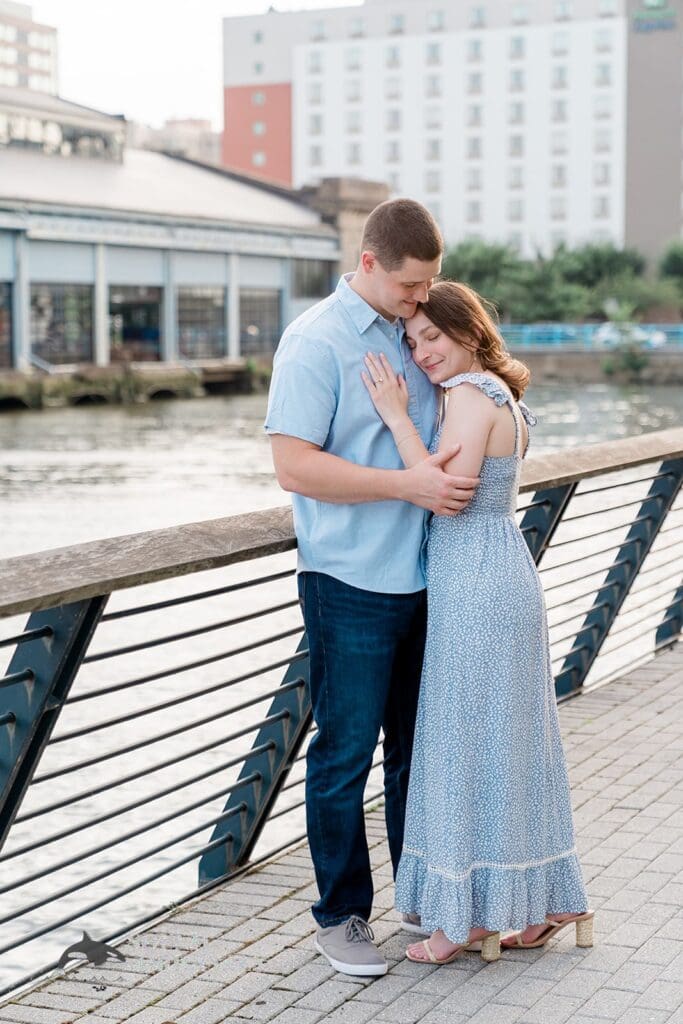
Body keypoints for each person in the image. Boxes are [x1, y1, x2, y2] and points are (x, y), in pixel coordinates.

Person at [264, 200, 480, 977]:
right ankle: (341, 916)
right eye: (409, 286)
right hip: (349, 580)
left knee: (414, 755)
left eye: (429, 286)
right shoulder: (314, 342)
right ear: (368, 264)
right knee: (345, 753)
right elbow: (293, 467)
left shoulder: (414, 338)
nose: (421, 300)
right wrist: (406, 486)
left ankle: (417, 898)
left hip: (429, 581)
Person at [361, 280, 592, 966]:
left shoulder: (469, 394)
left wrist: (395, 414)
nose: (421, 351)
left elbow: (447, 492)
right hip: (502, 571)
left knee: (463, 742)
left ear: (468, 331)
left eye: (432, 337)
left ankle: (460, 921)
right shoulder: (503, 393)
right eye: (411, 341)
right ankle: (553, 901)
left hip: (475, 582)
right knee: (513, 746)